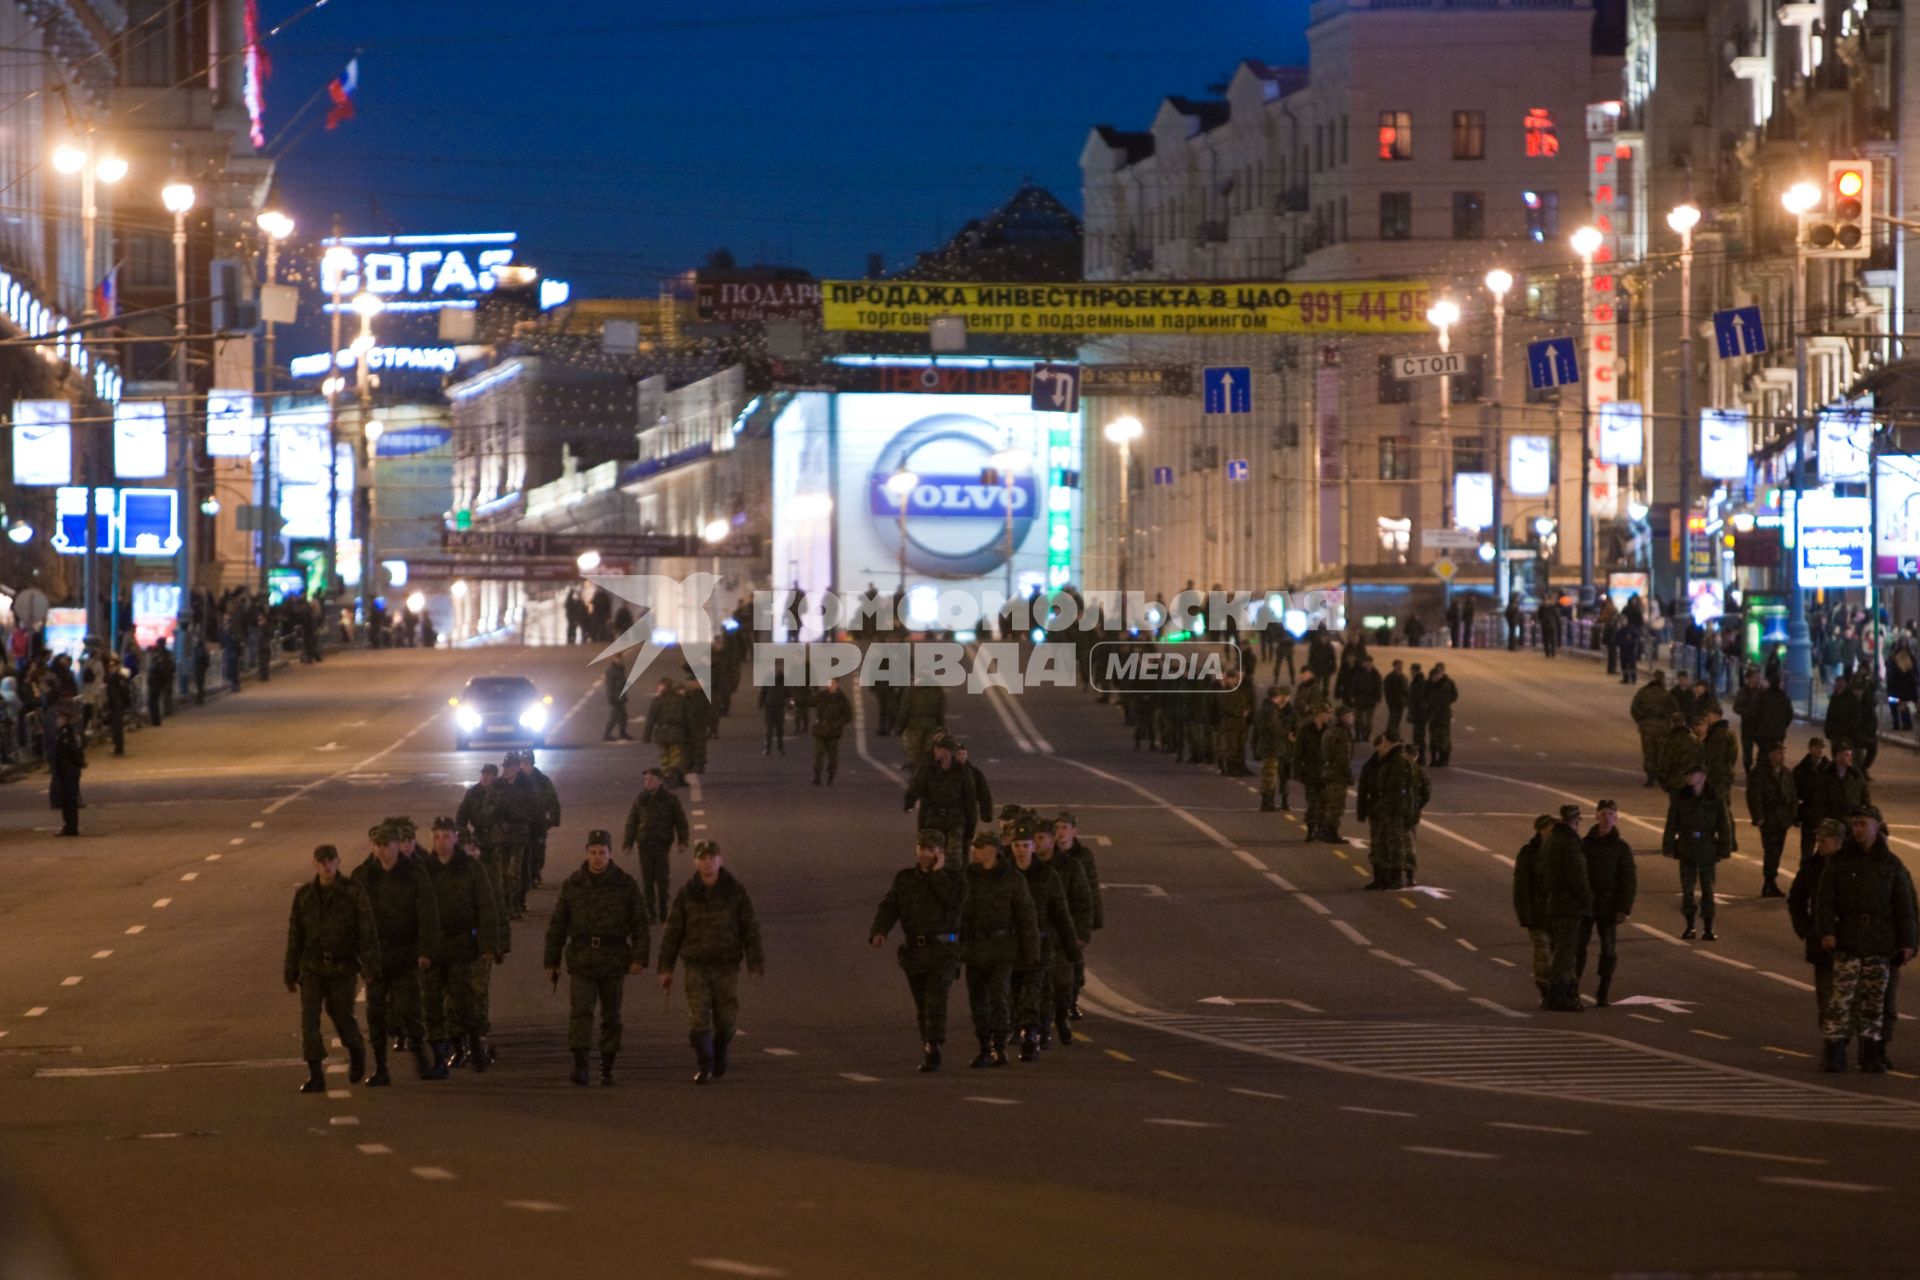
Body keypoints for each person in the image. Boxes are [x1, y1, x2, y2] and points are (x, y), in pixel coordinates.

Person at [1813, 806, 1918, 1072]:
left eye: (1863, 824)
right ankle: (1834, 1051)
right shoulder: (1839, 862)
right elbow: (1824, 901)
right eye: (1855, 824)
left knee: (1875, 1001)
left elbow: (1904, 906)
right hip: (1847, 941)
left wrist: (1908, 943)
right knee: (1840, 999)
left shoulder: (1891, 864)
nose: (1858, 829)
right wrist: (1826, 932)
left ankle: (1871, 1052)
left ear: (1877, 826)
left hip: (1879, 942)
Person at [546, 829, 649, 1086]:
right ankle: (580, 1063)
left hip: (613, 958)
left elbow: (640, 924)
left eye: (602, 853)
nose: (597, 858)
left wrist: (639, 957)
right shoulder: (574, 884)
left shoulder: (625, 884)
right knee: (581, 1011)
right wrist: (551, 961)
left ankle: (607, 1064)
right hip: (582, 958)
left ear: (610, 853)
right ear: (586, 853)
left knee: (611, 1015)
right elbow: (558, 925)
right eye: (592, 852)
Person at [658, 841, 765, 1084]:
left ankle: (720, 1049)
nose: (707, 862)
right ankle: (704, 1064)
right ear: (695, 862)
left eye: (712, 857)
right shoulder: (687, 894)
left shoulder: (734, 891)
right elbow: (673, 933)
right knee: (698, 1016)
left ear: (720, 860)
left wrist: (754, 961)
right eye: (702, 858)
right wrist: (666, 968)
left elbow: (750, 928)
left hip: (726, 965)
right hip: (696, 964)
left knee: (726, 1020)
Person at [350, 822, 440, 1085]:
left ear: (396, 846)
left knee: (411, 1007)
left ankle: (422, 1059)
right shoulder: (364, 877)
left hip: (405, 953)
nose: (383, 851)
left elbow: (427, 913)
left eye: (387, 846)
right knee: (375, 1013)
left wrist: (426, 950)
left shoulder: (414, 874)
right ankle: (381, 1068)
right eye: (378, 846)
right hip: (375, 957)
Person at [284, 844, 377, 1094]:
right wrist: (290, 970)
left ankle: (356, 1048)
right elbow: (296, 934)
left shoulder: (352, 892)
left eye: (330, 861)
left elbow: (366, 931)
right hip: (312, 967)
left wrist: (369, 967)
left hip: (342, 966)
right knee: (309, 1021)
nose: (326, 866)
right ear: (315, 864)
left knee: (341, 1014)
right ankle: (315, 1073)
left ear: (338, 862)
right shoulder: (305, 895)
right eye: (321, 862)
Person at [870, 831, 966, 1072]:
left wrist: (937, 875)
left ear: (940, 854)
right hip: (915, 952)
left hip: (944, 950)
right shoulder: (905, 879)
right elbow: (890, 906)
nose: (925, 854)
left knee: (936, 999)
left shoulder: (954, 879)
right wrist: (879, 930)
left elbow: (955, 901)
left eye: (931, 850)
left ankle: (934, 1046)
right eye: (922, 849)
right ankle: (928, 1043)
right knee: (923, 1004)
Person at [420, 817, 502, 1081]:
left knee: (463, 1001)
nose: (441, 842)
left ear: (456, 838)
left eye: (446, 836)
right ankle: (440, 1058)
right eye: (437, 837)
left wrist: (489, 944)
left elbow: (486, 907)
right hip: (432, 947)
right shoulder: (424, 870)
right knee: (432, 1004)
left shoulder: (470, 868)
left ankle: (475, 1048)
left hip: (460, 945)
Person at [958, 832, 1038, 1069]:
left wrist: (1030, 952)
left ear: (992, 850)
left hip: (1002, 949)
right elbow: (956, 915)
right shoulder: (967, 878)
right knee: (977, 1003)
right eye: (974, 847)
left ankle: (999, 1047)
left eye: (979, 848)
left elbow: (1026, 917)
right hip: (973, 949)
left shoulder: (1011, 879)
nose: (974, 851)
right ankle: (984, 1047)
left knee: (999, 999)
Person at [1006, 820, 1081, 1062]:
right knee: (1015, 991)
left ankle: (1034, 1033)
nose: (1020, 849)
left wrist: (1072, 949)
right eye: (1016, 845)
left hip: (1040, 944)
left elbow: (1061, 914)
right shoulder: (1005, 875)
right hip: (1012, 945)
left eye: (1025, 844)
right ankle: (1024, 1026)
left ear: (1032, 847)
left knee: (1037, 989)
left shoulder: (1048, 876)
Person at [1788, 818, 1846, 1053]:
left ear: (1839, 841)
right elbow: (1796, 900)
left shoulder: (1851, 866)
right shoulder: (1812, 867)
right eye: (1818, 840)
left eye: (1825, 840)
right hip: (1822, 945)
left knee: (1854, 1002)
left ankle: (1861, 1049)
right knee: (1826, 1002)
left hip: (1850, 943)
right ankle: (1833, 1049)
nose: (1820, 844)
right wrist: (1807, 931)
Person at [1034, 820, 1093, 1046]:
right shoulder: (1029, 868)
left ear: (1051, 840)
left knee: (1062, 984)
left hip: (1061, 936)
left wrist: (1081, 935)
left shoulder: (1070, 866)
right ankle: (1041, 1026)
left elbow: (1083, 901)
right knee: (1037, 984)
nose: (1036, 843)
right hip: (1037, 936)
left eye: (1041, 838)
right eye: (1034, 838)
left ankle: (1060, 1016)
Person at [1577, 800, 1636, 1007]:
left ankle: (1603, 990)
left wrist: (1623, 908)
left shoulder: (1621, 848)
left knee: (1609, 950)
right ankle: (1573, 988)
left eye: (1611, 814)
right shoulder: (1585, 844)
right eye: (1603, 813)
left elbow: (1628, 880)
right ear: (1596, 816)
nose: (1606, 818)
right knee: (1578, 947)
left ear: (1616, 818)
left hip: (1608, 905)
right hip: (1587, 903)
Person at [1662, 765, 1732, 940]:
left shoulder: (1714, 796)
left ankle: (1708, 927)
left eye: (1692, 774)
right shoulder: (1681, 796)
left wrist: (1725, 848)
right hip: (1687, 845)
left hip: (1708, 846)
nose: (1689, 778)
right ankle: (1690, 926)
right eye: (1688, 775)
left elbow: (1724, 824)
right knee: (1688, 890)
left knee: (1708, 889)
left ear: (1703, 776)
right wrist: (1669, 846)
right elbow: (1671, 822)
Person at [1359, 735, 1428, 889]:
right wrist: (1364, 809)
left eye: (1385, 745)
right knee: (1379, 845)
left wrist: (1411, 808)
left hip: (1394, 812)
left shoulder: (1398, 764)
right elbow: (1365, 786)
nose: (1383, 748)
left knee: (1396, 845)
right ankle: (1381, 878)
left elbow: (1405, 791)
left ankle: (1397, 878)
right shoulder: (1376, 763)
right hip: (1380, 810)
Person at [622, 767, 689, 923]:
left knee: (662, 878)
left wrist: (682, 841)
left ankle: (663, 907)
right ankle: (650, 910)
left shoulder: (670, 800)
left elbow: (680, 822)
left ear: (660, 781)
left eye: (651, 779)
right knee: (647, 879)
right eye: (645, 780)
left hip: (661, 843)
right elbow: (632, 822)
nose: (647, 783)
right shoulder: (640, 799)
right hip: (644, 844)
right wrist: (628, 843)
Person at [1053, 812, 1102, 1019]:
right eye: (1057, 828)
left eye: (1065, 827)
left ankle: (1070, 1001)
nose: (1060, 833)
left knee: (1075, 963)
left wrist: (1092, 921)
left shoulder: (1083, 856)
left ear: (1074, 831)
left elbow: (1091, 889)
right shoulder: (1048, 855)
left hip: (1074, 918)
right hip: (1054, 919)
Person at [904, 736, 978, 861]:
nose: (935, 751)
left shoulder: (962, 772)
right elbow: (916, 786)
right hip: (933, 821)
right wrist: (909, 803)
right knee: (931, 858)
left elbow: (970, 800)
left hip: (955, 821)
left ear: (947, 751)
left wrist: (971, 826)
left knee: (954, 860)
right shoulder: (929, 769)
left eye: (938, 749)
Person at [1747, 741, 1799, 898]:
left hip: (1782, 819)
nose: (1781, 756)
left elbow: (1792, 796)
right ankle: (1769, 882)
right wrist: (1759, 816)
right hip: (1769, 819)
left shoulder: (1786, 773)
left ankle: (1770, 882)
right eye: (1778, 753)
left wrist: (1792, 815)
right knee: (1771, 851)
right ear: (1770, 754)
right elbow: (1754, 796)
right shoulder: (1760, 773)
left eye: (1782, 752)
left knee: (1777, 851)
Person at [1794, 738, 1843, 864]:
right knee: (1807, 853)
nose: (1820, 750)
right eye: (1817, 747)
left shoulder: (1830, 770)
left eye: (1822, 747)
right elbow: (1794, 794)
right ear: (1810, 748)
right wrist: (1795, 815)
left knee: (1826, 852)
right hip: (1809, 815)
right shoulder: (1801, 769)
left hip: (1825, 816)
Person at [1309, 705, 1353, 844]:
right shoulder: (1342, 733)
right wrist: (1348, 774)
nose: (1352, 718)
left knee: (1328, 803)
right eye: (1350, 715)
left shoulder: (1330, 730)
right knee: (1337, 805)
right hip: (1337, 773)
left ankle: (1324, 830)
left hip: (1328, 770)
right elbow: (1343, 756)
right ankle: (1330, 832)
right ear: (1344, 717)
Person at [1252, 685, 1296, 813]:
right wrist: (1286, 734)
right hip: (1271, 746)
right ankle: (1267, 802)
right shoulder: (1271, 710)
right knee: (1270, 776)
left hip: (1267, 745)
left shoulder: (1263, 708)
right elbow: (1274, 727)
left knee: (1268, 775)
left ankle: (1268, 800)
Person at [1628, 672, 1674, 787]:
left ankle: (1651, 777)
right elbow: (1674, 709)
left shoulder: (1643, 692)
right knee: (1661, 753)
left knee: (1649, 753)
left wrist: (1641, 721)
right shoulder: (1666, 694)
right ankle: (1661, 776)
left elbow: (1634, 708)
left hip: (1647, 727)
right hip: (1662, 728)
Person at [48, 700, 85, 837]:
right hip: (66, 771)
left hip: (68, 772)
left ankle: (71, 827)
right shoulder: (65, 733)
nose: (57, 720)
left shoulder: (67, 735)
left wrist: (76, 765)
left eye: (59, 717)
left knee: (69, 801)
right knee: (67, 801)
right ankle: (69, 825)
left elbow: (73, 752)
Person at [646, 677, 692, 782]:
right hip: (677, 732)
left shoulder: (657, 700)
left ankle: (666, 774)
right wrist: (689, 733)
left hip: (662, 732)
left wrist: (647, 736)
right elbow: (687, 717)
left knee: (664, 756)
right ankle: (674, 773)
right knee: (675, 755)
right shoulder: (681, 700)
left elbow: (651, 719)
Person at [810, 675, 852, 785]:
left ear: (837, 684)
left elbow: (848, 715)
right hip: (821, 730)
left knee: (833, 755)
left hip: (833, 732)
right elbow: (809, 701)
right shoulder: (821, 696)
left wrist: (839, 724)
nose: (831, 685)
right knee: (818, 754)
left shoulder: (841, 698)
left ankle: (831, 777)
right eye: (829, 683)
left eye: (833, 683)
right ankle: (817, 777)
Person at [1425, 663, 1458, 767]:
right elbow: (1425, 696)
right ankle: (1435, 759)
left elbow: (1454, 696)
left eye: (1440, 671)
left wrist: (1447, 705)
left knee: (1443, 738)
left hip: (1442, 715)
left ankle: (1443, 759)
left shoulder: (1446, 685)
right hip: (1434, 715)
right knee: (1434, 737)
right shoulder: (1431, 685)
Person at [1349, 655, 1383, 741]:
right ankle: (1358, 736)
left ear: (1371, 663)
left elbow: (1379, 688)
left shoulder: (1375, 674)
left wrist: (1378, 699)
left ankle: (1366, 736)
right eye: (1366, 662)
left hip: (1370, 700)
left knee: (1368, 721)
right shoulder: (1359, 673)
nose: (1367, 664)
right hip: (1359, 699)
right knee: (1358, 720)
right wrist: (1353, 696)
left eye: (1369, 662)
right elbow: (1354, 685)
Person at [603, 656, 633, 741]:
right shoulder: (611, 671)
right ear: (614, 659)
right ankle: (607, 735)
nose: (620, 660)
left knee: (623, 716)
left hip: (621, 697)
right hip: (616, 698)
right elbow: (609, 686)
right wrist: (611, 698)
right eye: (618, 659)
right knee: (614, 717)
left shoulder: (621, 669)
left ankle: (622, 733)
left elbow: (622, 684)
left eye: (621, 658)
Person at [1406, 663, 1430, 766]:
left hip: (1420, 714)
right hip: (1417, 713)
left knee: (1419, 737)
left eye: (1413, 671)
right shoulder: (1415, 683)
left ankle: (1421, 758)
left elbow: (1420, 700)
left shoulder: (1420, 683)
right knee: (1417, 737)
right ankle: (1419, 757)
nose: (1412, 673)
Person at [1382, 660, 1408, 740]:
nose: (1399, 668)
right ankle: (1390, 736)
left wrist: (1406, 701)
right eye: (1398, 666)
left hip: (1401, 703)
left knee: (1398, 720)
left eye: (1400, 666)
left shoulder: (1404, 677)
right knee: (1393, 720)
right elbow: (1387, 690)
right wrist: (1389, 701)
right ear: (1394, 666)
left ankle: (1395, 735)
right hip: (1393, 702)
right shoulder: (1389, 677)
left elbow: (1406, 690)